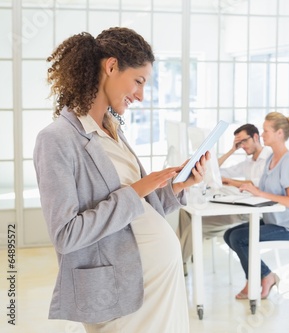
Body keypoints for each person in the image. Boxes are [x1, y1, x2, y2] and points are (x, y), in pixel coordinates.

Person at [33, 27, 208, 332]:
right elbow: (66, 235)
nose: (141, 95)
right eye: (138, 81)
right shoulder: (57, 139)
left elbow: (139, 210)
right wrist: (136, 189)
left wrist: (178, 186)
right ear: (111, 67)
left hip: (156, 287)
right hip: (121, 294)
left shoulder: (113, 131)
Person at [223, 112, 289, 300]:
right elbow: (262, 187)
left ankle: (257, 280)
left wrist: (259, 193)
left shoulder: (288, 162)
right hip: (274, 220)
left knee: (239, 238)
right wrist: (244, 187)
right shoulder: (271, 159)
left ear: (279, 133)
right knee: (229, 235)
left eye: (266, 130)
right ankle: (266, 275)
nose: (262, 134)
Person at [177, 123, 272, 271]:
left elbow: (260, 185)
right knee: (185, 213)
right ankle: (183, 256)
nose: (242, 146)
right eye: (238, 143)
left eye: (244, 141)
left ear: (255, 137)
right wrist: (231, 151)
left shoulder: (269, 157)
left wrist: (232, 182)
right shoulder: (249, 162)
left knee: (195, 223)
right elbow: (216, 169)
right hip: (241, 204)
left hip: (250, 213)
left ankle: (179, 262)